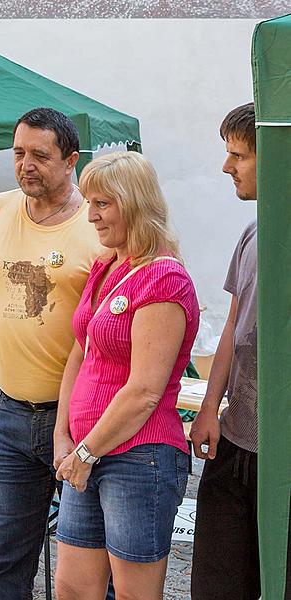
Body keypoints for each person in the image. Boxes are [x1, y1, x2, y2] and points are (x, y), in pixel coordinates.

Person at [0, 108, 102, 599]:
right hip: (10, 413)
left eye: (40, 155)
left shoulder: (98, 222)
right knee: (4, 556)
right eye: (19, 153)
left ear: (71, 161)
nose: (26, 165)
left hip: (84, 419)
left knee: (89, 562)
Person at [52, 151, 198, 599]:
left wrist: (84, 451)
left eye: (103, 204)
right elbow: (81, 352)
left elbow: (145, 391)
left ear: (134, 203)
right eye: (89, 201)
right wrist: (64, 436)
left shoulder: (163, 279)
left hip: (139, 454)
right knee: (73, 588)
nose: (90, 215)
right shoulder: (108, 265)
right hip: (88, 451)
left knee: (135, 592)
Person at [189, 103, 285, 599]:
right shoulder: (251, 233)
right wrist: (210, 406)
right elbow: (231, 327)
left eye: (239, 155)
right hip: (236, 440)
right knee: (218, 582)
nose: (228, 167)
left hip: (283, 457)